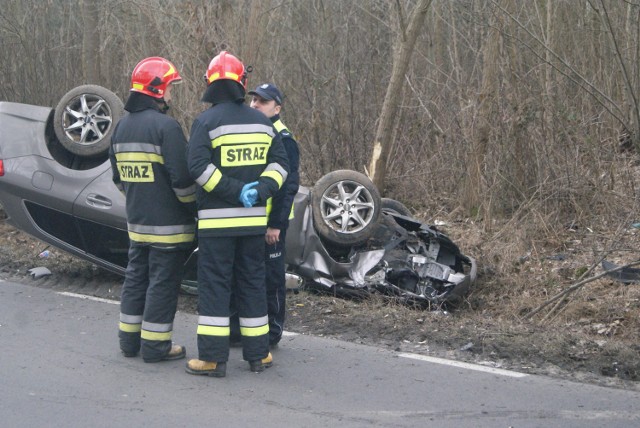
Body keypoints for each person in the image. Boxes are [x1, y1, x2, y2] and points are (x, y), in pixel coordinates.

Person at [185, 51, 289, 377]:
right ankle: (259, 356)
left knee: (216, 286)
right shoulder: (263, 122)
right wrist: (259, 191)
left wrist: (232, 190)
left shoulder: (205, 122)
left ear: (210, 83)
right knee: (253, 284)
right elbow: (281, 166)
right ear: (242, 83)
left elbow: (198, 169)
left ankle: (213, 359)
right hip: (253, 222)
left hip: (217, 224)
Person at [109, 57, 196, 363]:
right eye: (170, 87)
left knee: (135, 279)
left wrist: (141, 200)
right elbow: (183, 183)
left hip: (138, 224)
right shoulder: (166, 127)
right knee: (162, 283)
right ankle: (156, 347)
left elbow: (119, 179)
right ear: (157, 89)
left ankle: (129, 342)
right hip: (170, 229)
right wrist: (194, 210)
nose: (172, 93)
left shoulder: (120, 128)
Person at [248, 83, 300, 346]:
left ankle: (273, 331)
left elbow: (287, 186)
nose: (255, 104)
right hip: (251, 219)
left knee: (272, 278)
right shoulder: (255, 130)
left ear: (277, 108)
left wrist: (275, 225)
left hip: (272, 224)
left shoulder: (283, 137)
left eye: (263, 101)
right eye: (254, 99)